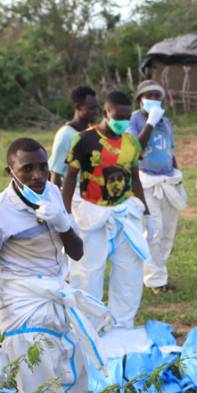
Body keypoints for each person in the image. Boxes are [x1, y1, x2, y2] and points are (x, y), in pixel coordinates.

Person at [0, 139, 106, 393]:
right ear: (10, 170)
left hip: (57, 301)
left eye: (42, 167)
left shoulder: (53, 193)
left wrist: (62, 222)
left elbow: (77, 253)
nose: (37, 175)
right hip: (24, 311)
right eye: (27, 168)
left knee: (75, 380)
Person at [62, 91, 149, 330]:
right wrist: (65, 215)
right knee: (88, 274)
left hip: (124, 215)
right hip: (91, 214)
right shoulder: (84, 140)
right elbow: (70, 178)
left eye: (126, 117)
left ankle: (122, 326)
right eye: (117, 116)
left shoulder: (131, 142)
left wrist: (146, 214)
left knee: (129, 273)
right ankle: (87, 327)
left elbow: (135, 178)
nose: (122, 121)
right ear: (105, 114)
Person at [128, 81, 186, 294]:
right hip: (145, 180)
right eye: (149, 95)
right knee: (154, 229)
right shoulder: (133, 120)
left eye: (157, 96)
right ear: (140, 98)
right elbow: (135, 149)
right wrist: (149, 123)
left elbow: (169, 151)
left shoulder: (166, 122)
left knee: (168, 230)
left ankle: (160, 273)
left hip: (168, 179)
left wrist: (178, 177)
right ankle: (154, 280)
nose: (154, 99)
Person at [51, 86, 101, 189]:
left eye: (97, 107)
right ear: (78, 107)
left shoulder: (93, 132)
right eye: (92, 108)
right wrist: (57, 203)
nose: (96, 111)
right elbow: (56, 174)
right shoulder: (65, 135)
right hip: (74, 196)